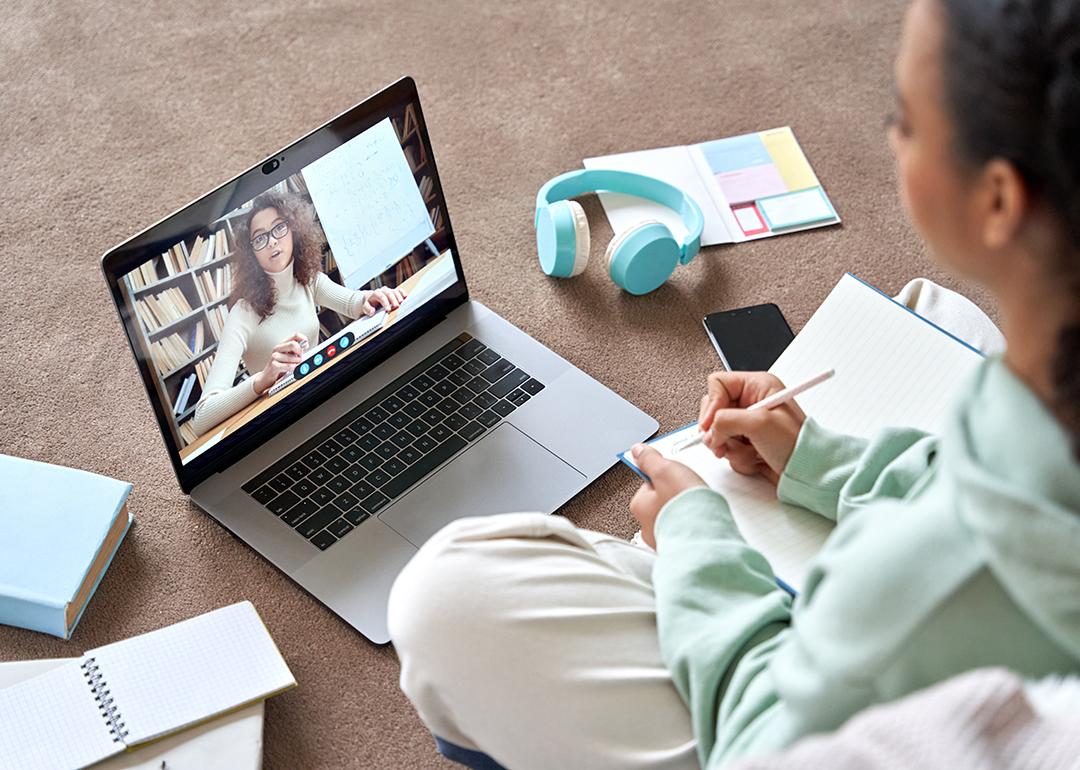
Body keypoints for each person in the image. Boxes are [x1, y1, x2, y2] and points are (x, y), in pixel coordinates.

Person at [386, 0, 1080, 768]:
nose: (889, 139)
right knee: (934, 314)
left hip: (814, 714)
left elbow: (767, 748)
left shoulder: (933, 585)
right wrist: (819, 458)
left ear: (998, 201)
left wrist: (695, 536)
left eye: (907, 121)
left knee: (446, 600)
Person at [191, 191, 405, 436]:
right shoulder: (242, 313)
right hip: (283, 422)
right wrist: (264, 378)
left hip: (326, 396)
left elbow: (354, 302)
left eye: (278, 228)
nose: (272, 241)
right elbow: (202, 417)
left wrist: (371, 297)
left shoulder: (308, 281)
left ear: (294, 231)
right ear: (252, 254)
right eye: (259, 238)